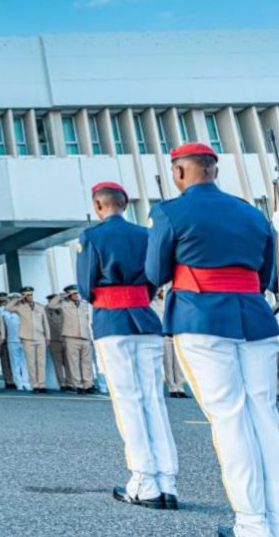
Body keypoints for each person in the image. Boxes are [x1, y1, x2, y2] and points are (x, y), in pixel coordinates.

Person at [147, 143, 279, 537]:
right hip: (255, 320)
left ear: (180, 173)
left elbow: (155, 271)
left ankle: (254, 523)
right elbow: (270, 274)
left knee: (229, 420)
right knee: (265, 418)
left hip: (201, 317)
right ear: (214, 170)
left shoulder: (168, 212)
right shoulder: (253, 214)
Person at [78, 180, 179, 511]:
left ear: (98, 206)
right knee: (153, 400)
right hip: (145, 320)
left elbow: (85, 287)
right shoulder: (145, 234)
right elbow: (154, 278)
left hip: (113, 322)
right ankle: (167, 482)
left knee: (128, 403)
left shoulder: (91, 237)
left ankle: (144, 482)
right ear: (125, 203)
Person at [49, 284, 96, 394]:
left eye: (77, 293)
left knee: (87, 362)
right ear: (69, 294)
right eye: (73, 293)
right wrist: (61, 296)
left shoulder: (84, 304)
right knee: (74, 362)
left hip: (85, 336)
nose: (76, 295)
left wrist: (91, 337)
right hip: (71, 337)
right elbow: (51, 305)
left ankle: (88, 384)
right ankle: (78, 385)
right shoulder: (64, 304)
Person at [9, 287, 50, 393]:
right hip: (27, 337)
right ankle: (34, 384)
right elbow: (7, 308)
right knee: (31, 362)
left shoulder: (40, 307)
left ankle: (42, 384)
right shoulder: (19, 307)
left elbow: (45, 322)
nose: (29, 297)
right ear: (23, 296)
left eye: (30, 294)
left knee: (41, 362)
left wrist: (48, 336)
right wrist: (18, 299)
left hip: (40, 336)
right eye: (27, 295)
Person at [149, 290, 188, 398]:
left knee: (178, 359)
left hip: (175, 322)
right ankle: (172, 386)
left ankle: (180, 386)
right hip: (161, 322)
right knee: (167, 358)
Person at [2, 295, 31, 391]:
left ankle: (26, 382)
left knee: (25, 363)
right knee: (15, 363)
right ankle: (18, 383)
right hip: (12, 340)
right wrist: (14, 301)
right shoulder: (4, 311)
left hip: (24, 339)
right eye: (13, 299)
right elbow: (7, 308)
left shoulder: (23, 309)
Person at [46, 293, 72, 391]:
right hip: (54, 339)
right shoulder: (46, 310)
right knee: (58, 363)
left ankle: (70, 382)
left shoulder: (64, 309)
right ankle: (61, 383)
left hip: (66, 338)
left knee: (69, 363)